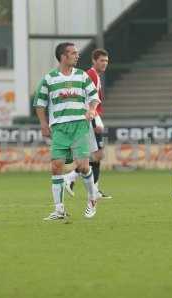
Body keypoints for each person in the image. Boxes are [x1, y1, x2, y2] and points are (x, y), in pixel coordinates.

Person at [34, 42, 100, 219]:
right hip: (59, 127)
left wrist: (92, 109)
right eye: (73, 53)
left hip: (79, 125)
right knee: (56, 167)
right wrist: (43, 124)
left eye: (77, 53)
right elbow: (40, 103)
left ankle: (92, 198)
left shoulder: (82, 76)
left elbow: (94, 97)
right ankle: (59, 209)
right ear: (63, 56)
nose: (77, 56)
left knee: (83, 166)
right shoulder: (49, 79)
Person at [64, 48, 112, 199]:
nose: (104, 64)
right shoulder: (91, 75)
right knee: (97, 155)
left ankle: (92, 188)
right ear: (94, 61)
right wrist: (94, 121)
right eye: (102, 61)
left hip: (93, 117)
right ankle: (71, 177)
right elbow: (88, 100)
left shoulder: (95, 75)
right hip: (90, 118)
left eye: (106, 61)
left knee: (97, 156)